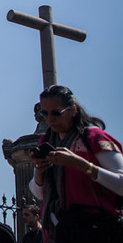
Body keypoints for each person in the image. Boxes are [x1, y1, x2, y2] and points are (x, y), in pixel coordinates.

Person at [29, 85, 123, 243]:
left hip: (96, 230)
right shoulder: (47, 141)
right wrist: (39, 173)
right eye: (44, 113)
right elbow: (38, 194)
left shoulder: (93, 137)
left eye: (56, 113)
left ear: (72, 110)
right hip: (59, 232)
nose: (50, 119)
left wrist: (83, 165)